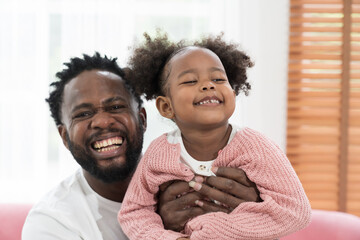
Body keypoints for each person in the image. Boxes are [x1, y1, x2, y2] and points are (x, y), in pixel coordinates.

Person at [22, 52, 261, 240]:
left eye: (116, 107)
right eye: (83, 114)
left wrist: (253, 220)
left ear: (143, 120)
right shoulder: (51, 222)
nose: (103, 121)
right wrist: (163, 229)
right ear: (64, 137)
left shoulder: (196, 177)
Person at [118, 32, 312, 240]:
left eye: (218, 79)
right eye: (191, 81)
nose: (208, 85)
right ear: (166, 106)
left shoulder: (257, 147)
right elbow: (134, 212)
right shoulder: (158, 152)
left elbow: (295, 210)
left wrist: (214, 230)